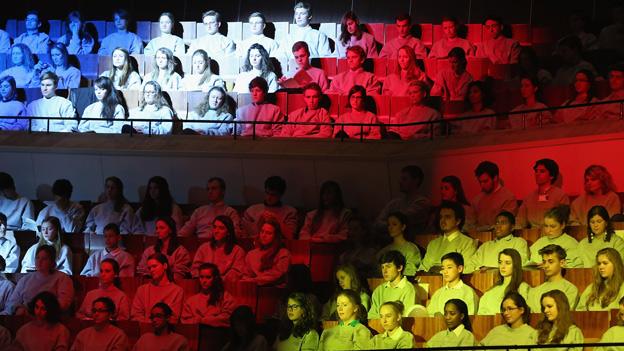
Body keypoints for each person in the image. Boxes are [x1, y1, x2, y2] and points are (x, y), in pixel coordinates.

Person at [3, 245, 74, 315]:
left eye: (44, 259)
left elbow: (64, 302)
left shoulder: (63, 278)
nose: (39, 261)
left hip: (49, 316)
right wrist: (17, 308)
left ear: (52, 262)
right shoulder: (25, 279)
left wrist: (43, 309)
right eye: (37, 258)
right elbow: (13, 301)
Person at [419, 201, 477, 273]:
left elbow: (466, 270)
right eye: (441, 217)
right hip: (429, 281)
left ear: (458, 221)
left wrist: (440, 270)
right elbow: (424, 267)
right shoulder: (433, 243)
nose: (442, 221)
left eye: (447, 217)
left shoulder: (467, 242)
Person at [131, 253, 184, 323]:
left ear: (165, 266)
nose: (151, 270)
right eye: (149, 268)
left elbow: (174, 318)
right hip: (146, 330)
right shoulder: (142, 290)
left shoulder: (177, 291)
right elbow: (135, 315)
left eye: (154, 266)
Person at [517, 159, 569, 228]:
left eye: (542, 171)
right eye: (536, 171)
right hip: (532, 235)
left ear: (551, 176)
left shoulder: (560, 195)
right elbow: (520, 221)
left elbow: (563, 221)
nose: (537, 174)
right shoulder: (529, 197)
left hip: (552, 233)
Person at [476, 248, 531, 315]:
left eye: (507, 263)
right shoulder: (492, 290)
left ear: (515, 265)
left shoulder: (523, 288)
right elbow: (481, 312)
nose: (502, 266)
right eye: (500, 262)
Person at [369, 250, 421, 319]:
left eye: (388, 266)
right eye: (382, 267)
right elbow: (372, 316)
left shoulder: (408, 289)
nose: (384, 271)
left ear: (399, 268)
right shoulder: (379, 290)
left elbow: (407, 317)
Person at [191, 215, 245, 281]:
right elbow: (195, 268)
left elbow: (236, 272)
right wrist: (203, 278)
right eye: (214, 227)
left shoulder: (237, 251)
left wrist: (217, 280)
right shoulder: (203, 248)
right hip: (204, 283)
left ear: (228, 232)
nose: (216, 231)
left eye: (221, 228)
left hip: (226, 285)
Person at [527, 244, 580, 312]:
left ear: (562, 263)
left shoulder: (570, 289)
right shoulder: (535, 291)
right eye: (544, 262)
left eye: (550, 261)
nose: (546, 266)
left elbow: (564, 313)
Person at [137, 217, 191, 281]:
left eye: (161, 228)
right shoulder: (149, 251)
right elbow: (142, 271)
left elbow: (178, 276)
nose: (157, 231)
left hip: (172, 286)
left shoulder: (181, 252)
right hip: (151, 285)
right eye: (156, 228)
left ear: (170, 230)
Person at [242, 219, 291, 286]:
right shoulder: (251, 254)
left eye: (269, 233)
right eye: (262, 231)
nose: (264, 235)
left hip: (275, 291)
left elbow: (275, 275)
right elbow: (245, 274)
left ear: (275, 236)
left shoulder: (283, 253)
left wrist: (254, 280)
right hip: (254, 289)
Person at [471, 161, 518, 230]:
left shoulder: (508, 198)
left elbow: (506, 225)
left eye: (485, 181)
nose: (482, 185)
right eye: (480, 182)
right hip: (479, 236)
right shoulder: (476, 200)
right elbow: (470, 223)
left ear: (495, 178)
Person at [377, 212, 421, 276]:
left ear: (403, 227)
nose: (390, 227)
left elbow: (410, 271)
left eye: (394, 224)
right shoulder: (384, 250)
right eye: (389, 225)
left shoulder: (411, 248)